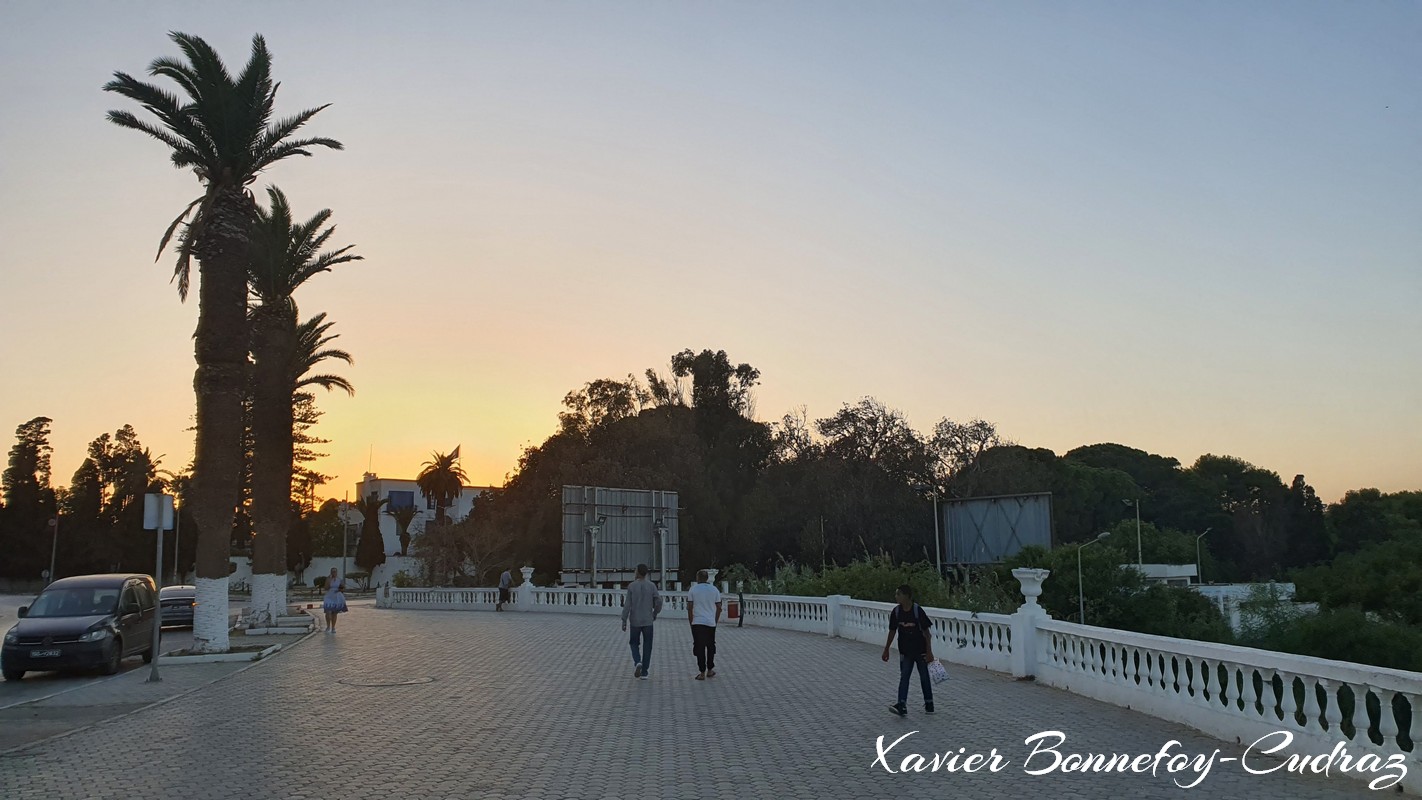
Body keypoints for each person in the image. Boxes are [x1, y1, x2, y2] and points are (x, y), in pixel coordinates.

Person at [882, 584, 934, 716]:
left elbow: (927, 634)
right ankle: (901, 704)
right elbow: (892, 631)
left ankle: (929, 703)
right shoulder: (896, 612)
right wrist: (886, 649)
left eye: (899, 594)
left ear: (907, 596)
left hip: (920, 650)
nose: (896, 597)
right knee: (904, 677)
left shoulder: (917, 611)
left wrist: (929, 652)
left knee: (924, 677)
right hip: (905, 652)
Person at [621, 563, 662, 679]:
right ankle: (644, 672)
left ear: (637, 572)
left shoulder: (632, 586)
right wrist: (655, 613)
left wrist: (624, 620)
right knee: (648, 645)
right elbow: (658, 601)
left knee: (634, 643)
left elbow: (627, 605)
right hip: (648, 620)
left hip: (635, 620)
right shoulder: (652, 586)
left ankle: (638, 661)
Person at [686, 569, 722, 680]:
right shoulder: (714, 590)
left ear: (697, 578)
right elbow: (719, 607)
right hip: (710, 623)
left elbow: (689, 607)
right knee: (711, 646)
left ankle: (702, 672)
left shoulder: (693, 589)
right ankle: (710, 669)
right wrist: (715, 620)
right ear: (707, 578)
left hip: (697, 622)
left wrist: (691, 621)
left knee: (699, 647)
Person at [323, 568, 348, 634]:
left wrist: (341, 589)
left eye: (335, 572)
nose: (334, 573)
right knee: (328, 611)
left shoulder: (339, 580)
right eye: (332, 572)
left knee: (334, 612)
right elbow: (326, 588)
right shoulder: (328, 579)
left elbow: (343, 588)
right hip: (329, 595)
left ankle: (333, 627)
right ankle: (328, 626)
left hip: (337, 596)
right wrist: (329, 581)